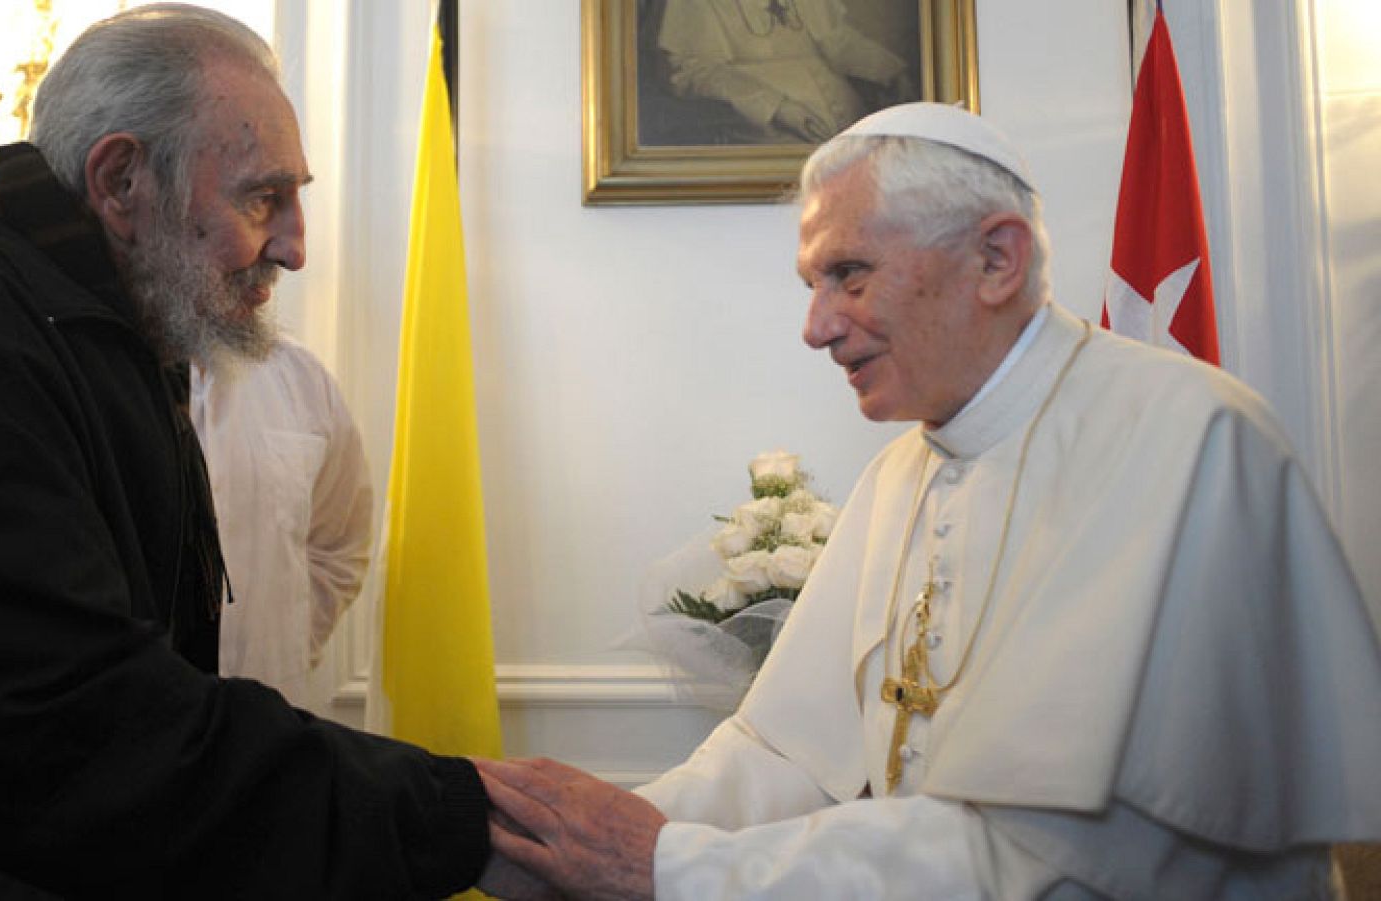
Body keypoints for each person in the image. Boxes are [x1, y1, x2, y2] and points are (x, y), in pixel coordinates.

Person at [474, 103, 1381, 899]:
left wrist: (670, 868)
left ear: (994, 258)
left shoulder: (1188, 441)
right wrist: (579, 836)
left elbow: (1046, 861)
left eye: (850, 274)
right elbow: (785, 751)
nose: (816, 325)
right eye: (813, 284)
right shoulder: (899, 474)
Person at [0, 5, 489, 896]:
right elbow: (63, 732)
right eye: (263, 195)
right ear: (119, 180)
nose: (296, 244)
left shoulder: (89, 340)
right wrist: (459, 810)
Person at [190, 336, 373, 712]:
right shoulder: (103, 375)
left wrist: (287, 644)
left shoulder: (304, 381)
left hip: (274, 718)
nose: (280, 275)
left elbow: (339, 545)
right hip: (139, 732)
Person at [656, 0, 916, 144]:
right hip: (764, 132)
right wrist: (776, 108)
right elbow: (690, 72)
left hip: (848, 128)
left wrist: (889, 71)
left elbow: (838, 41)